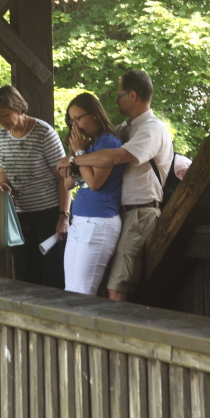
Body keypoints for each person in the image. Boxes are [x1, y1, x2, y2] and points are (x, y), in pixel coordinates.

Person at [57, 70, 172, 301]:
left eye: (119, 95)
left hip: (139, 213)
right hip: (116, 212)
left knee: (118, 286)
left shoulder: (151, 128)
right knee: (99, 286)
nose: (115, 101)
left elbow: (114, 157)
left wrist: (75, 158)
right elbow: (91, 161)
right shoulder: (122, 129)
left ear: (133, 96)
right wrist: (74, 158)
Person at [0, 84, 70, 286]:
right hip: (18, 214)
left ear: (18, 108)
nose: (0, 120)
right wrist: (3, 186)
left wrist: (63, 216)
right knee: (24, 269)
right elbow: (4, 171)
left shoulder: (43, 132)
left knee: (52, 268)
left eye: (4, 114)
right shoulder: (0, 136)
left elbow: (64, 178)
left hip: (49, 212)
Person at [61, 93, 125, 294]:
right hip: (80, 222)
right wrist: (74, 155)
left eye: (78, 118)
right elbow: (67, 184)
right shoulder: (88, 145)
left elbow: (95, 183)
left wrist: (79, 154)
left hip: (99, 222)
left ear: (95, 115)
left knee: (83, 291)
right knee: (71, 289)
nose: (75, 125)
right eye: (71, 121)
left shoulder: (108, 142)